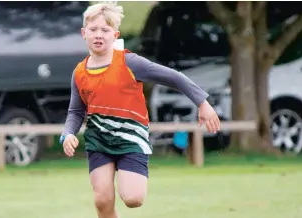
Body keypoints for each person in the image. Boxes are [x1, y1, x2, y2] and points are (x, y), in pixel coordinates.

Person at [59, 2, 221, 218]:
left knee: (133, 198)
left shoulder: (130, 63)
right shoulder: (80, 72)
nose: (99, 35)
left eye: (105, 30)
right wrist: (68, 133)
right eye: (93, 29)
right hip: (99, 140)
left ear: (115, 35)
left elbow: (173, 77)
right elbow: (76, 111)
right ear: (84, 33)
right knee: (102, 200)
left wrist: (203, 103)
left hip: (131, 139)